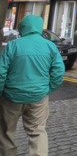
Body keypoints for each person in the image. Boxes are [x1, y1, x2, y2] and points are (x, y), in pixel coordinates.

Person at [0, 15, 65, 156]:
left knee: (6, 132)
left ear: (23, 28)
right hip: (38, 98)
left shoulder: (13, 45)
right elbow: (59, 73)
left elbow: (1, 73)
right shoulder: (49, 46)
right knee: (37, 132)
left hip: (11, 97)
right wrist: (47, 89)